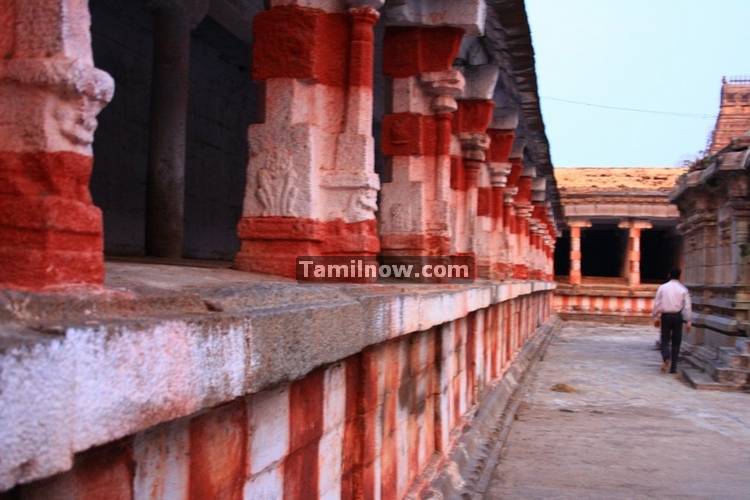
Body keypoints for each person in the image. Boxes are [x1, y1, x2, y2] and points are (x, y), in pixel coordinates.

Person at [652, 268, 692, 374]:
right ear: (680, 276)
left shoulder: (662, 287)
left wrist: (655, 315)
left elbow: (657, 303)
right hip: (677, 316)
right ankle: (673, 367)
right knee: (676, 341)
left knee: (664, 339)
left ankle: (666, 357)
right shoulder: (683, 289)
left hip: (666, 316)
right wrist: (688, 320)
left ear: (669, 275)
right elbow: (687, 306)